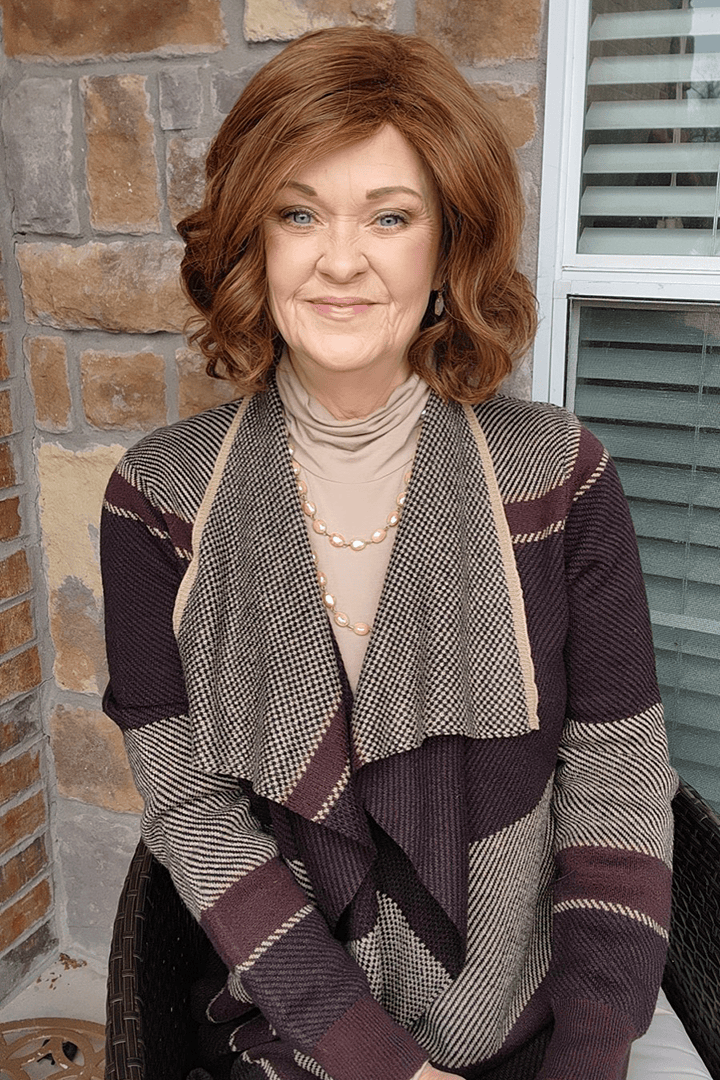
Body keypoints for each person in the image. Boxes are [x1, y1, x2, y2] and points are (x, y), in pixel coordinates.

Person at [101, 26, 678, 1080]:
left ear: (448, 244)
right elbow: (192, 810)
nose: (341, 258)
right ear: (251, 240)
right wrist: (377, 1062)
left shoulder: (558, 474)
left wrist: (592, 1056)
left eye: (391, 216)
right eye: (299, 212)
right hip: (296, 1027)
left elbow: (617, 783)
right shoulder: (159, 497)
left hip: (536, 1025)